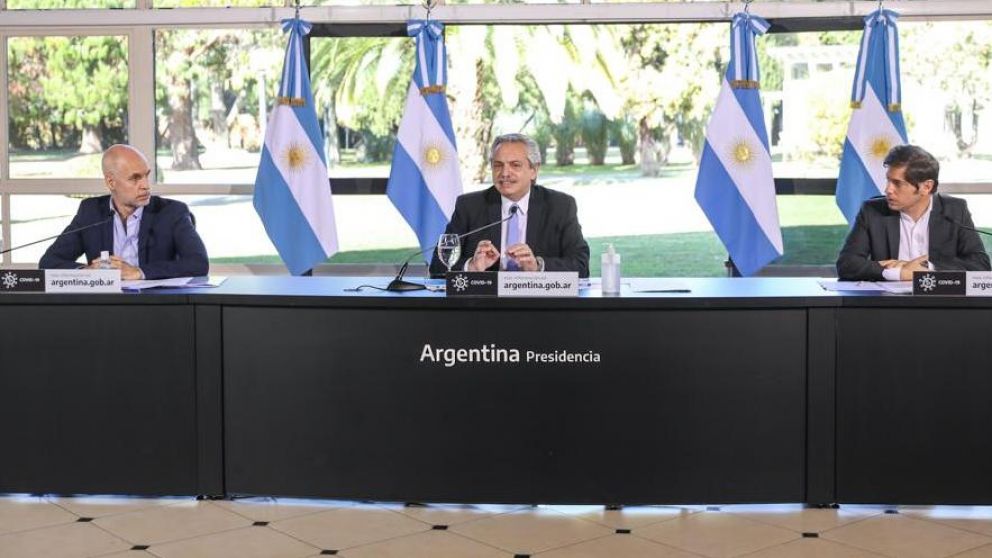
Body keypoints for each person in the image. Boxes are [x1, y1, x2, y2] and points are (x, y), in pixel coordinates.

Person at [430, 133, 590, 277]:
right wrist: (472, 266)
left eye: (515, 165)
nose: (505, 173)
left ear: (534, 170)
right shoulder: (469, 206)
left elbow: (581, 266)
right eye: (498, 165)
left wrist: (538, 267)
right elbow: (438, 265)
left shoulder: (560, 206)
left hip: (539, 304)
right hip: (486, 305)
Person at [39, 144, 209, 280]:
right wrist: (87, 272)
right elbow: (49, 262)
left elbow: (198, 263)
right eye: (135, 178)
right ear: (111, 183)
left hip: (156, 307)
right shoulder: (91, 212)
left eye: (146, 176)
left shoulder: (172, 212)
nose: (145, 185)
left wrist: (139, 272)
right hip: (105, 308)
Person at [836, 144, 990, 281]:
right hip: (887, 306)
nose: (888, 189)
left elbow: (980, 265)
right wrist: (898, 273)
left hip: (941, 303)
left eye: (897, 183)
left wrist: (927, 268)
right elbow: (846, 264)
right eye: (888, 180)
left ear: (926, 187)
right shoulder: (872, 211)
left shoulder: (954, 210)